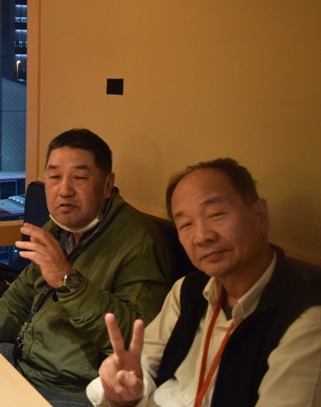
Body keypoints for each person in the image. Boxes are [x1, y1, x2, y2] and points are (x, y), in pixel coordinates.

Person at [87, 158, 321, 407]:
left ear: (260, 216)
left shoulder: (305, 321)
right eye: (185, 224)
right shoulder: (188, 290)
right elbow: (139, 369)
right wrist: (125, 392)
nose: (201, 236)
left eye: (216, 214)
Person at [0, 129, 176, 406]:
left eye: (79, 178)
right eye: (55, 177)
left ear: (107, 185)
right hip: (23, 363)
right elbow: (15, 303)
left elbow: (136, 344)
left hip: (73, 392)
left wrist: (67, 279)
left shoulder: (141, 244)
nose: (64, 190)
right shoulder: (57, 228)